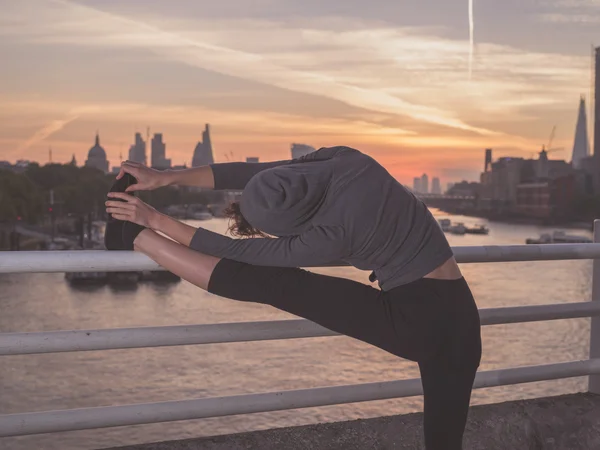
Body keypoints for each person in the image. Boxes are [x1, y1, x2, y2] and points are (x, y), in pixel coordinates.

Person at [104, 146, 481, 450]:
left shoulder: (333, 234)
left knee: (277, 285)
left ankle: (130, 237)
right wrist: (166, 177)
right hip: (461, 317)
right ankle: (133, 236)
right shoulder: (347, 160)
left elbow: (242, 255)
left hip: (419, 323)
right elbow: (249, 172)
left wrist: (155, 220)